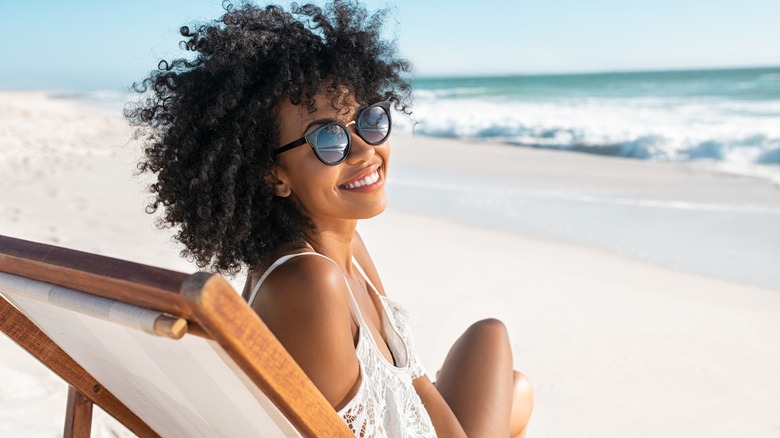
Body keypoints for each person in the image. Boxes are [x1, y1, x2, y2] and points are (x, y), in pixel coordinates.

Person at [126, 1, 533, 436]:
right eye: (327, 138)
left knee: (498, 353)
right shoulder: (308, 282)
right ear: (274, 175)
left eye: (368, 120)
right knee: (513, 393)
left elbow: (413, 381)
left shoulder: (347, 247)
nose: (363, 151)